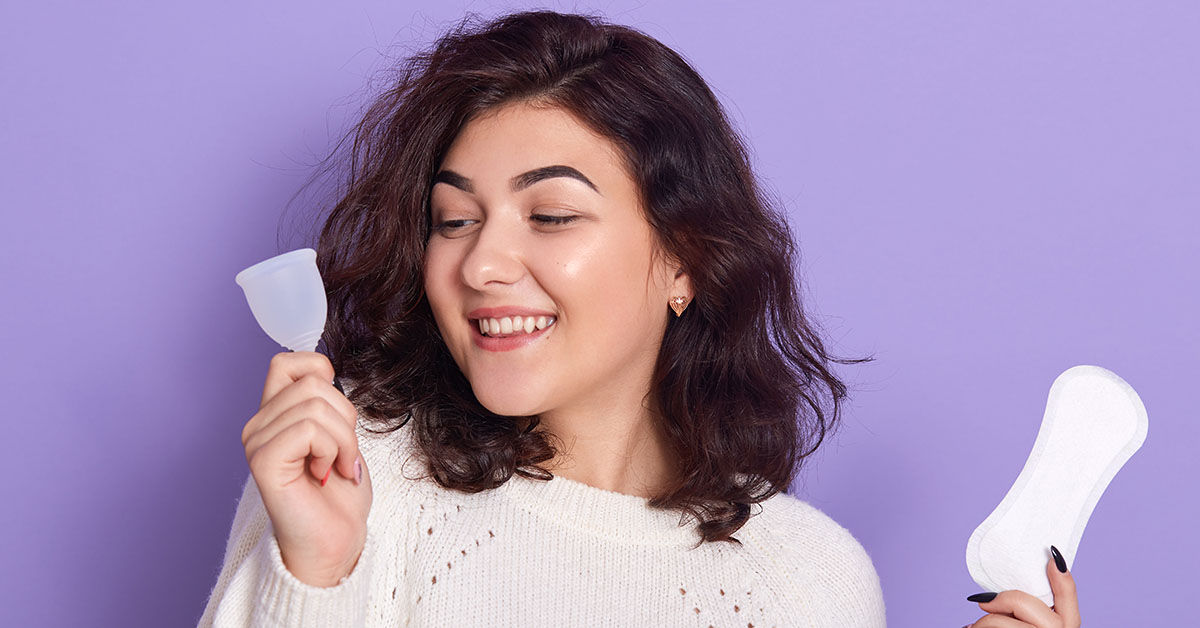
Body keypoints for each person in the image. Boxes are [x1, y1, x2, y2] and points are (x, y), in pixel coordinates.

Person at [199, 10, 1081, 628]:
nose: (481, 265)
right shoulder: (355, 476)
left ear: (684, 259)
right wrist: (313, 580)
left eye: (549, 216)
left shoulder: (808, 582)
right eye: (454, 220)